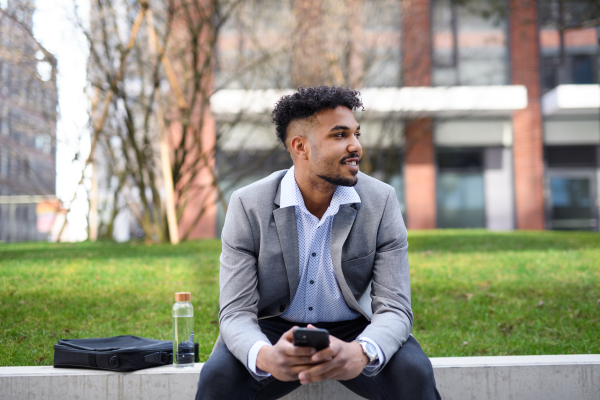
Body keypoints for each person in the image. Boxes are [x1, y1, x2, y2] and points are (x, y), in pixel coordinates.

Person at [195, 85, 441, 400]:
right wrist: (265, 356)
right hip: (274, 328)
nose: (356, 147)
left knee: (414, 374)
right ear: (301, 146)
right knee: (218, 379)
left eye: (356, 134)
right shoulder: (248, 205)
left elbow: (394, 307)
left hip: (356, 327)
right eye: (340, 136)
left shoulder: (381, 201)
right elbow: (235, 311)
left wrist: (361, 352)